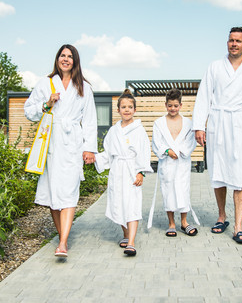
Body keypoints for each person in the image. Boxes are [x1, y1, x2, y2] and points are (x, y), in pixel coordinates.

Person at [192, 26, 242, 244]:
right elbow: (204, 96)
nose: (233, 44)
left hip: (241, 124)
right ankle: (221, 216)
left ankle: (238, 227)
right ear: (227, 43)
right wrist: (199, 125)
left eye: (238, 41)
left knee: (241, 173)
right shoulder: (215, 67)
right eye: (230, 40)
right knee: (218, 171)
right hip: (218, 122)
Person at [24, 44, 97, 258]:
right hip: (52, 143)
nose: (66, 59)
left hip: (73, 142)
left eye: (70, 56)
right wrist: (46, 105)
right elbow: (29, 111)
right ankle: (61, 235)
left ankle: (63, 242)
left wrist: (89, 149)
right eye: (62, 56)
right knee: (53, 192)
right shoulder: (45, 83)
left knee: (69, 191)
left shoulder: (84, 87)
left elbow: (90, 120)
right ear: (57, 59)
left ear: (75, 61)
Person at [95, 89, 152, 256]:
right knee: (118, 203)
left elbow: (144, 151)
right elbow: (107, 153)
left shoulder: (139, 130)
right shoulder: (114, 131)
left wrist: (141, 172)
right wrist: (95, 158)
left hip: (131, 170)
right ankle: (126, 235)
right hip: (117, 171)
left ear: (135, 109)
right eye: (123, 107)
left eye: (130, 107)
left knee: (132, 204)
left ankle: (132, 242)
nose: (126, 110)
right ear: (118, 110)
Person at [151, 88, 199, 237]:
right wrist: (166, 151)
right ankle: (171, 223)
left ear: (181, 105)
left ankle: (184, 222)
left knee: (183, 189)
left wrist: (180, 151)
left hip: (182, 162)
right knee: (168, 191)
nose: (173, 108)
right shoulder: (159, 123)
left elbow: (191, 142)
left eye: (176, 106)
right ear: (166, 105)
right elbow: (156, 143)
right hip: (167, 163)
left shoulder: (188, 123)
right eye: (170, 105)